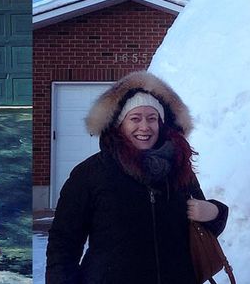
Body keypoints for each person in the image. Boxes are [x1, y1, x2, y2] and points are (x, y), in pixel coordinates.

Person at [46, 71, 230, 283]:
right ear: (119, 124)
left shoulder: (179, 169)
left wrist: (215, 212)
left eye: (152, 118)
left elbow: (202, 229)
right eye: (135, 118)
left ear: (162, 124)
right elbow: (63, 243)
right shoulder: (90, 174)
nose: (144, 127)